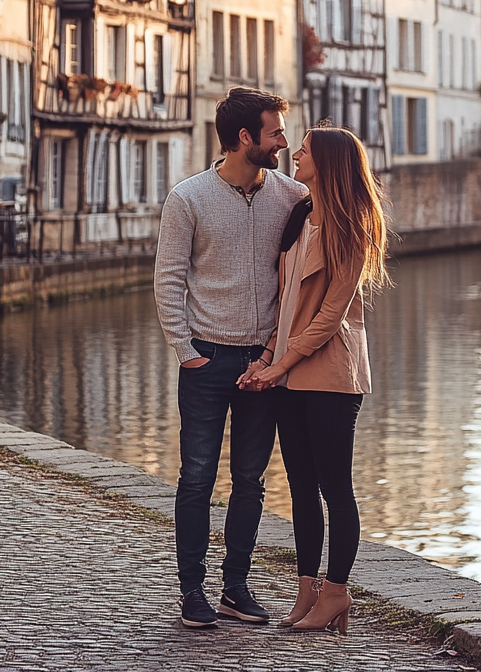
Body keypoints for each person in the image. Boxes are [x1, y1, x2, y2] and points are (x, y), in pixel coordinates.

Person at [154, 87, 308, 629]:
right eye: (275, 132)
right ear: (246, 138)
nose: (284, 142)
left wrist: (275, 353)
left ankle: (235, 588)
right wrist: (185, 350)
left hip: (262, 366)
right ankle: (191, 591)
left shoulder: (291, 196)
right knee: (195, 477)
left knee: (251, 480)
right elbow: (169, 278)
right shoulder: (189, 198)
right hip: (206, 359)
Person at [240, 128, 390, 635]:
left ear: (327, 162)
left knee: (334, 487)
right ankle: (308, 590)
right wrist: (266, 357)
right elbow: (286, 303)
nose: (295, 155)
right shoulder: (301, 215)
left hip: (329, 374)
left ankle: (337, 592)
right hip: (287, 371)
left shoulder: (353, 226)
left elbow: (330, 315)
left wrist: (280, 366)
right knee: (301, 488)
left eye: (304, 149)